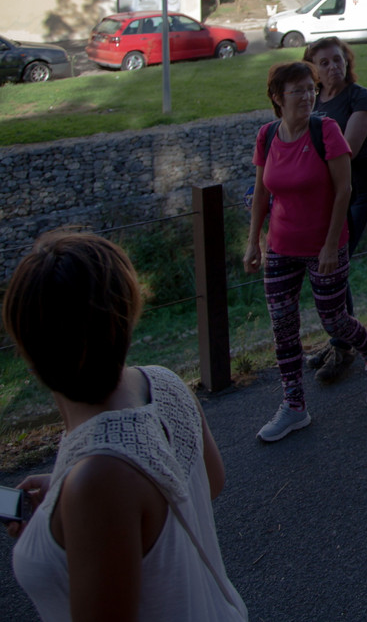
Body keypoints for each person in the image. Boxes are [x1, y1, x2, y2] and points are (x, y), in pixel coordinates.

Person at [5, 232, 248, 621]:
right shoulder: (163, 383)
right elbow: (208, 482)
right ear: (126, 311)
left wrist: (85, 503)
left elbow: (120, 479)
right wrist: (63, 502)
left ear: (27, 349)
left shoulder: (96, 482)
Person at [244, 60, 367, 442]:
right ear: (278, 98)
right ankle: (294, 406)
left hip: (325, 243)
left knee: (334, 320)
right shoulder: (266, 136)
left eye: (311, 89)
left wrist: (330, 245)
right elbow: (262, 192)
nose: (309, 96)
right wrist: (253, 241)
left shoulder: (325, 130)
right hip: (281, 246)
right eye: (299, 91)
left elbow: (344, 190)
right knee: (283, 326)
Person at [302, 37, 367, 383]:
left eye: (338, 60)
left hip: (358, 193)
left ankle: (344, 346)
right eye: (324, 62)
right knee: (330, 269)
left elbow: (347, 149)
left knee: (335, 265)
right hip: (325, 197)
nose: (333, 67)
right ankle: (342, 340)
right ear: (313, 71)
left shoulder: (358, 97)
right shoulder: (315, 101)